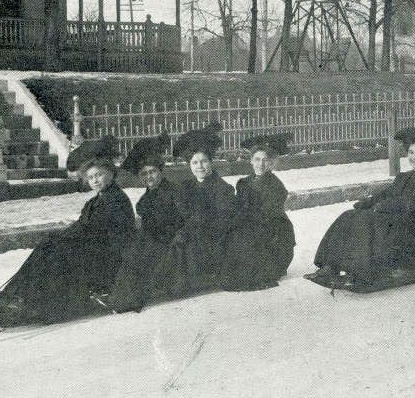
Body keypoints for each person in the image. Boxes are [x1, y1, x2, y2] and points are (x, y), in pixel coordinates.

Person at [0, 136, 135, 325]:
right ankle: (15, 295)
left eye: (98, 175)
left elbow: (96, 232)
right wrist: (58, 236)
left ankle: (34, 303)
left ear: (111, 173)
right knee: (47, 246)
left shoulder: (115, 200)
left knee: (55, 252)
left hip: (109, 256)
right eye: (90, 177)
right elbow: (81, 227)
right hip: (96, 249)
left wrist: (63, 240)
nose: (95, 181)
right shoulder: (96, 201)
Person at [308, 120, 415, 288]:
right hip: (394, 218)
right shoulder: (405, 176)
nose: (414, 157)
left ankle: (360, 271)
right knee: (350, 215)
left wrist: (385, 206)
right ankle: (330, 266)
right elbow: (387, 193)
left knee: (365, 221)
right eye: (410, 152)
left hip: (412, 224)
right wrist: (369, 202)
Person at [153, 122, 235, 297]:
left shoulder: (222, 188)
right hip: (194, 233)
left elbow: (223, 221)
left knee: (182, 242)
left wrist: (192, 229)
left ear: (211, 163)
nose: (200, 166)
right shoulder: (187, 186)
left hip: (214, 238)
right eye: (195, 162)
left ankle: (178, 283)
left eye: (204, 161)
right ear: (189, 165)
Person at [109, 132, 183, 313]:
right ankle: (118, 299)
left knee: (141, 258)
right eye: (144, 174)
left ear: (160, 171)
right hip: (151, 240)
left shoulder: (175, 191)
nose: (148, 177)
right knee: (130, 253)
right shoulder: (143, 201)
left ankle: (130, 300)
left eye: (152, 172)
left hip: (172, 242)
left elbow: (185, 220)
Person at [220, 133, 296, 291]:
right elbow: (239, 207)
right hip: (251, 226)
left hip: (273, 232)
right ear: (251, 161)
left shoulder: (276, 186)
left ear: (271, 163)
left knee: (243, 236)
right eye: (257, 159)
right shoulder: (244, 183)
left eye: (265, 160)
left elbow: (269, 215)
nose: (260, 164)